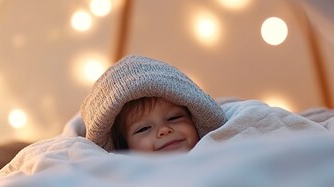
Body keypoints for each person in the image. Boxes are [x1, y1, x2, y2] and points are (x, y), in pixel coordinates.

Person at [80, 55, 227, 153]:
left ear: (194, 120)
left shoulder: (224, 154)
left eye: (174, 117)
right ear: (124, 148)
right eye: (143, 128)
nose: (164, 130)